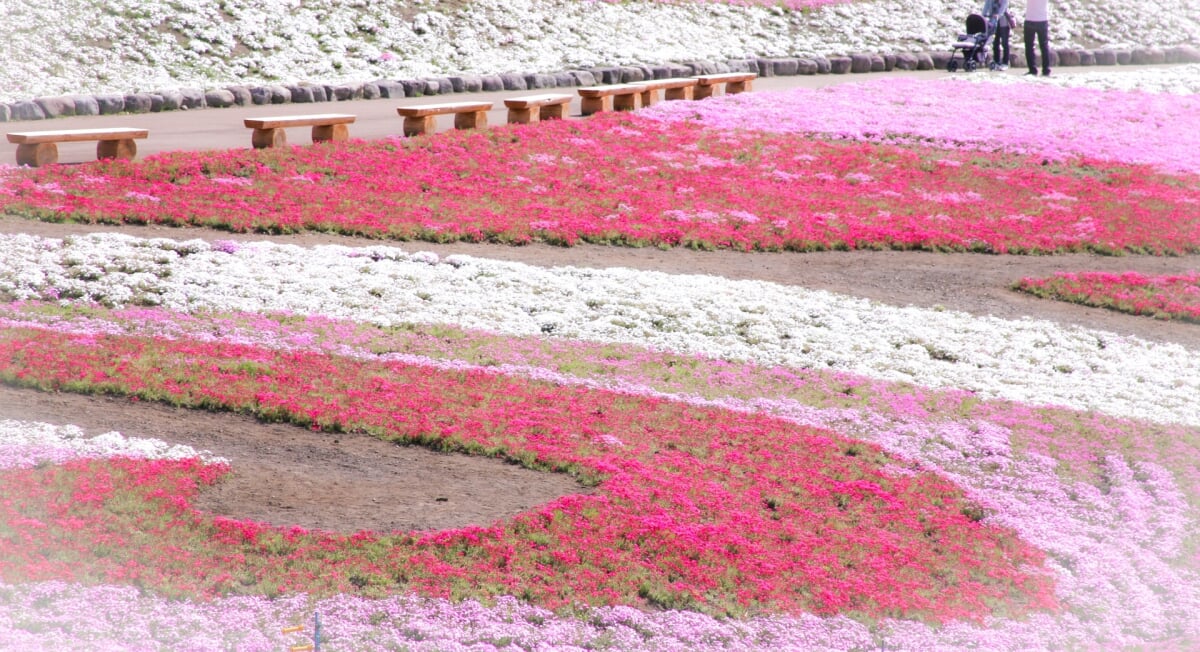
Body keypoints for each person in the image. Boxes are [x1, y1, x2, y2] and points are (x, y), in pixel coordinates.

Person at [1023, 0, 1051, 76]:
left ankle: (1033, 69)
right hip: (1041, 19)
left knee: (1030, 46)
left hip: (1031, 18)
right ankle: (1046, 69)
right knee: (1043, 46)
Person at [983, 0, 1012, 69]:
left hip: (1003, 22)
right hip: (993, 22)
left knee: (1004, 42)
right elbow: (986, 7)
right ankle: (996, 60)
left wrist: (998, 15)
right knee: (995, 42)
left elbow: (1003, 8)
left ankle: (1005, 62)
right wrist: (983, 15)